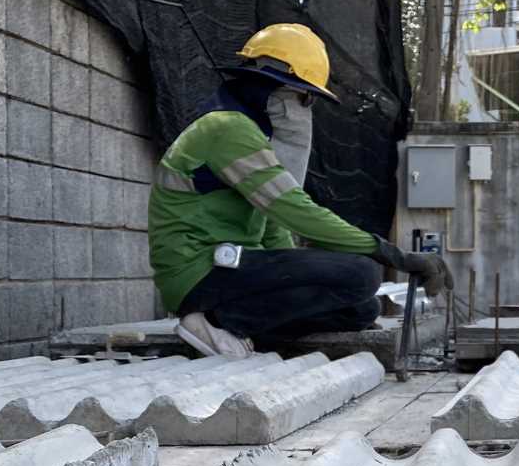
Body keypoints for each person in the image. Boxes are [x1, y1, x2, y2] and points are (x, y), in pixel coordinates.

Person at [149, 23, 451, 359]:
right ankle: (218, 322)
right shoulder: (226, 128)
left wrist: (294, 262)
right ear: (275, 89)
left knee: (360, 309)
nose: (307, 108)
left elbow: (273, 224)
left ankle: (241, 327)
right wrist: (391, 254)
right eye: (306, 96)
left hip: (233, 270)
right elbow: (293, 210)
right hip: (199, 272)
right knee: (362, 273)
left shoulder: (250, 135)